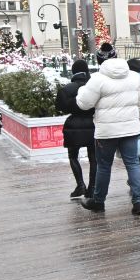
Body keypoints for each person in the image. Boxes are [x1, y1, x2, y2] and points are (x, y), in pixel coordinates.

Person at [77, 54, 140, 216]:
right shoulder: (134, 77)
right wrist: (139, 123)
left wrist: (82, 90)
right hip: (130, 129)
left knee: (104, 166)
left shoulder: (98, 79)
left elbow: (84, 104)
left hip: (106, 132)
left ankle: (98, 201)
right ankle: (138, 202)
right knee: (132, 164)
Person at [57, 59, 98, 200]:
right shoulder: (93, 86)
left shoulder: (67, 88)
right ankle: (92, 188)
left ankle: (80, 184)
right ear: (86, 71)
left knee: (73, 156)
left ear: (73, 72)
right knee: (94, 158)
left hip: (73, 125)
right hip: (93, 124)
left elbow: (60, 107)